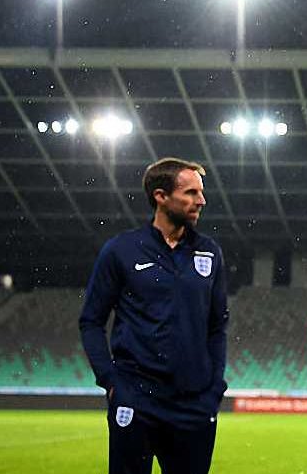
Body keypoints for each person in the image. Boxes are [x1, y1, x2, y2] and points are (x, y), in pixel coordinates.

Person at [80, 157, 228, 474]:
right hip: (136, 399)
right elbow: (91, 321)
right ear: (161, 196)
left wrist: (214, 388)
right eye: (191, 193)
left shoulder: (210, 252)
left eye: (201, 192)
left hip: (194, 405)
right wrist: (111, 381)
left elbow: (218, 327)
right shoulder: (121, 250)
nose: (201, 201)